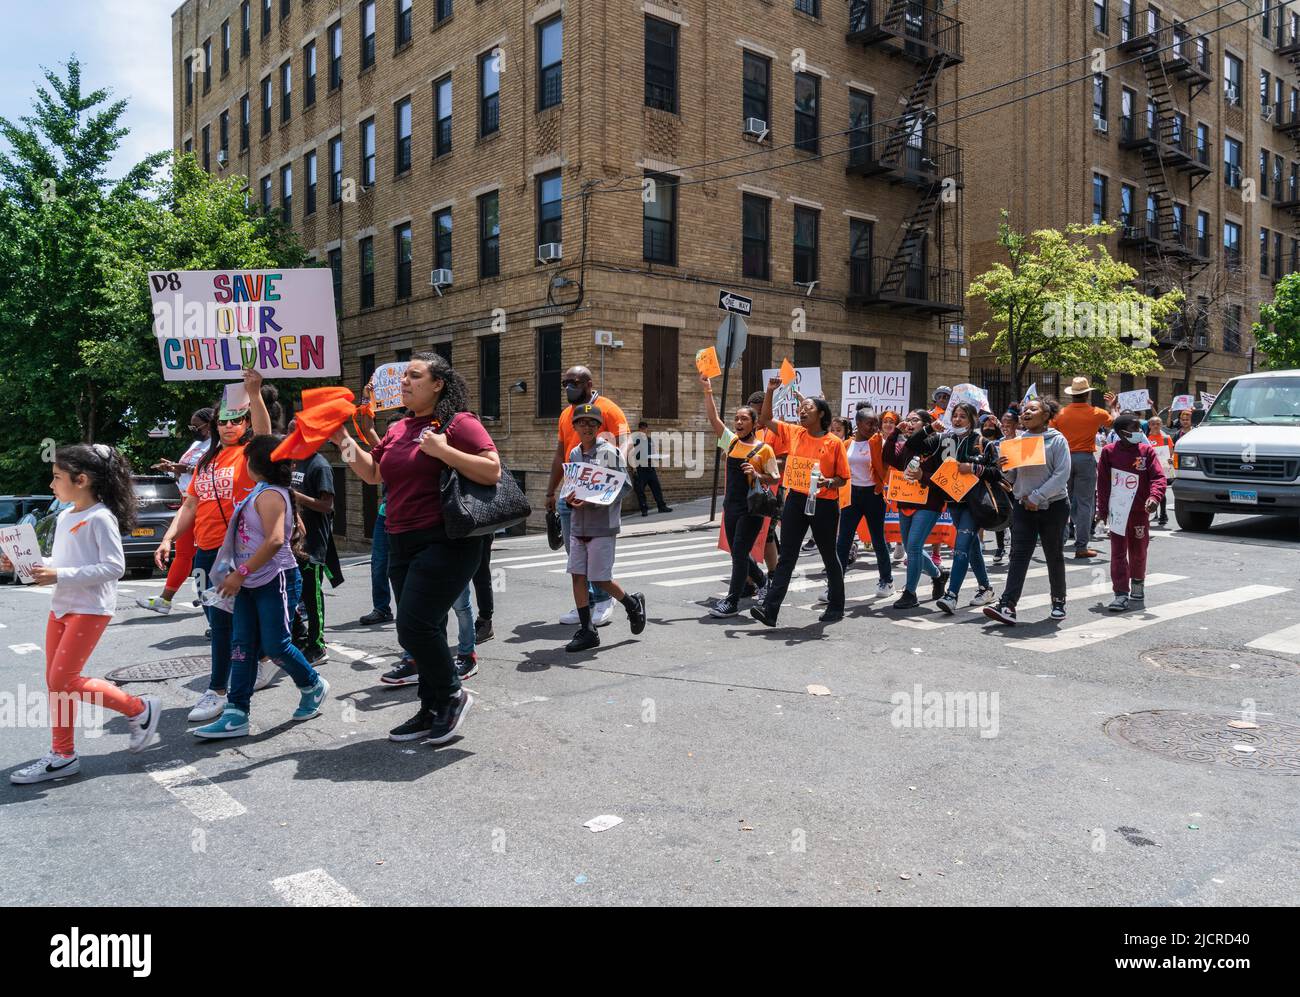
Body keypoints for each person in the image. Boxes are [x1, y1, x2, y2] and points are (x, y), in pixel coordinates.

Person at [331, 352, 498, 743]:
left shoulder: (460, 423)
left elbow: (491, 469)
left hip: (446, 540)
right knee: (424, 629)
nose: (404, 381)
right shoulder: (399, 428)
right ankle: (430, 708)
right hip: (400, 539)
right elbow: (373, 475)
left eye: (414, 376)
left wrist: (444, 451)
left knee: (413, 624)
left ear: (437, 384)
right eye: (403, 376)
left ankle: (452, 695)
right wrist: (341, 439)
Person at [7, 445, 161, 784]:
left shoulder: (100, 517)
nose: (52, 485)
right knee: (55, 684)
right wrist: (31, 566)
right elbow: (63, 562)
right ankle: (63, 755)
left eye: (56, 478)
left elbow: (113, 567)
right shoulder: (66, 515)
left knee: (63, 680)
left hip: (90, 609)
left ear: (82, 480)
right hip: (62, 606)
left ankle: (138, 708)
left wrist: (58, 575)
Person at [193, 436, 330, 738]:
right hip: (249, 582)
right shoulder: (263, 491)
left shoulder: (271, 495)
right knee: (241, 647)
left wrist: (240, 573)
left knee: (275, 645)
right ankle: (236, 713)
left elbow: (275, 540)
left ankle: (313, 684)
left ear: (255, 464)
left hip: (273, 579)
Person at [155, 370, 272, 723]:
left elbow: (266, 433)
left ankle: (218, 689)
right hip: (207, 553)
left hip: (239, 550)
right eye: (223, 422)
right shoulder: (205, 462)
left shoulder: (250, 452)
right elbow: (190, 505)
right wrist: (168, 537)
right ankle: (246, 672)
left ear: (246, 423)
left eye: (236, 421)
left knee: (231, 623)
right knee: (219, 620)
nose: (228, 427)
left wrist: (254, 394)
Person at [751, 378, 850, 626]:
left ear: (821, 414)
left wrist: (829, 482)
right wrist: (771, 391)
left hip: (824, 503)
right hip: (796, 499)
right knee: (788, 557)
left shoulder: (834, 443)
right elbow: (764, 420)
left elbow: (843, 479)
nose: (802, 410)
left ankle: (836, 606)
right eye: (801, 407)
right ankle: (770, 610)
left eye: (808, 407)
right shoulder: (794, 432)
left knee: (829, 555)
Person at [545, 365, 629, 628]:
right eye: (565, 383)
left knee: (597, 555)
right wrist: (551, 490)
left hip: (598, 491)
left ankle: (605, 600)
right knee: (575, 555)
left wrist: (612, 474)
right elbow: (561, 454)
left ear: (588, 383)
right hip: (571, 490)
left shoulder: (608, 408)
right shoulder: (565, 416)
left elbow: (625, 442)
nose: (569, 387)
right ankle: (588, 603)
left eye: (575, 382)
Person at [560, 403, 648, 650]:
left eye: (592, 423)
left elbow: (625, 486)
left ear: (598, 427)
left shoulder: (609, 452)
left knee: (600, 578)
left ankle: (631, 603)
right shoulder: (575, 454)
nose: (586, 427)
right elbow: (573, 485)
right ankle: (587, 630)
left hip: (602, 525)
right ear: (574, 426)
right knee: (578, 576)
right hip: (579, 525)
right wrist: (570, 496)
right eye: (581, 422)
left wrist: (596, 500)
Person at [984, 397, 1072, 626]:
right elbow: (1014, 478)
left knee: (1053, 554)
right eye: (1025, 410)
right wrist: (1005, 468)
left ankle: (1058, 601)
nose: (1026, 412)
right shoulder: (1018, 441)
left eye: (1033, 409)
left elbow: (1062, 475)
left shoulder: (1057, 440)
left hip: (1054, 507)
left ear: (1046, 415)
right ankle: (1007, 605)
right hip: (1023, 507)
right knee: (1019, 555)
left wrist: (1038, 497)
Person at [700, 373, 780, 617]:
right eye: (736, 419)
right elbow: (713, 418)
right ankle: (763, 582)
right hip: (731, 507)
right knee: (739, 553)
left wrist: (757, 474)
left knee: (738, 553)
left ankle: (732, 601)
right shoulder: (732, 443)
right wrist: (707, 390)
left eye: (744, 418)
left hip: (752, 509)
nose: (738, 422)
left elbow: (775, 478)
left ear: (754, 423)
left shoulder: (764, 449)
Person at [137, 407, 214, 614]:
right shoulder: (197, 444)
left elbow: (208, 470)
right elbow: (187, 474)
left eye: (195, 426)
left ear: (209, 424)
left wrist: (183, 469)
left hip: (205, 503)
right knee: (183, 552)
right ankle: (165, 599)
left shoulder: (218, 445)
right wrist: (173, 469)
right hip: (187, 500)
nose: (193, 430)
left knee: (204, 557)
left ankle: (212, 609)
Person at [931, 403, 1002, 614]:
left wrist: (974, 468)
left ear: (971, 420)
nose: (957, 420)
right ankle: (986, 589)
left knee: (960, 548)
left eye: (962, 416)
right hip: (953, 503)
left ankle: (951, 595)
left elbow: (997, 472)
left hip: (975, 504)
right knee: (971, 547)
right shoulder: (945, 441)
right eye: (955, 416)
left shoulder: (983, 443)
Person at [1097, 413, 1167, 613]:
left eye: (1140, 428)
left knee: (1139, 551)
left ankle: (1138, 585)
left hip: (1139, 512)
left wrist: (1154, 497)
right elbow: (1102, 484)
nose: (1139, 432)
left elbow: (1158, 478)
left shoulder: (1147, 452)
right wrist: (1101, 511)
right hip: (1118, 513)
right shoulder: (1109, 452)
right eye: (1135, 429)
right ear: (1121, 433)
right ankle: (1120, 593)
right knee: (1118, 553)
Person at [882, 409, 948, 608]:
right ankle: (938, 575)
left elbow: (943, 476)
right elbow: (888, 457)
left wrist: (923, 477)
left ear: (928, 424)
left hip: (929, 502)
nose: (909, 423)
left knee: (915, 546)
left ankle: (910, 593)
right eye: (908, 420)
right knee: (912, 548)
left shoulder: (938, 443)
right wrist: (894, 434)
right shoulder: (907, 444)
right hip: (906, 500)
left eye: (915, 420)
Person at [1052, 377, 1117, 559]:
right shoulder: (1097, 412)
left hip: (1063, 459)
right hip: (1086, 459)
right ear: (1087, 394)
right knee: (1085, 503)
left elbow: (1047, 431)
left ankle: (1060, 541)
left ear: (1072, 395)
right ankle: (1081, 546)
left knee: (1062, 500)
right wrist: (1112, 406)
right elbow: (1115, 424)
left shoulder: (1060, 414)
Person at [836, 408, 893, 597]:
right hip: (852, 496)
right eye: (869, 423)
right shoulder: (846, 444)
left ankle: (886, 581)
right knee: (843, 541)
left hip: (873, 495)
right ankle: (835, 584)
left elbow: (888, 463)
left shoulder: (879, 442)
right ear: (858, 423)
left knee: (877, 540)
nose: (874, 427)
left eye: (876, 423)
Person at [290, 435, 336, 667]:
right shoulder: (293, 462)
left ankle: (317, 645)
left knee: (311, 596)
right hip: (294, 542)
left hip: (312, 544)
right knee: (290, 592)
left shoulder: (320, 465)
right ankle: (299, 634)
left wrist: (296, 496)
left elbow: (327, 506)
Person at [629, 420, 673, 517]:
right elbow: (631, 454)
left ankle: (661, 507)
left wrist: (658, 457)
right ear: (639, 429)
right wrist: (634, 468)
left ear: (647, 429)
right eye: (642, 429)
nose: (644, 431)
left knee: (656, 488)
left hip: (650, 468)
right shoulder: (634, 440)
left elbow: (653, 452)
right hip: (640, 468)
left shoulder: (649, 440)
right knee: (640, 491)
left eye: (645, 429)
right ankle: (644, 510)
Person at [1145, 415, 1173, 526]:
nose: (1156, 426)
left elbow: (1171, 453)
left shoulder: (1166, 438)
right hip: (1149, 468)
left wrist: (1171, 459)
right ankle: (1152, 513)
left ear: (1161, 425)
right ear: (1149, 425)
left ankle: (1163, 514)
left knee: (1161, 491)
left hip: (1163, 468)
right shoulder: (1146, 439)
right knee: (1148, 491)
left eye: (1158, 424)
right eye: (1153, 424)